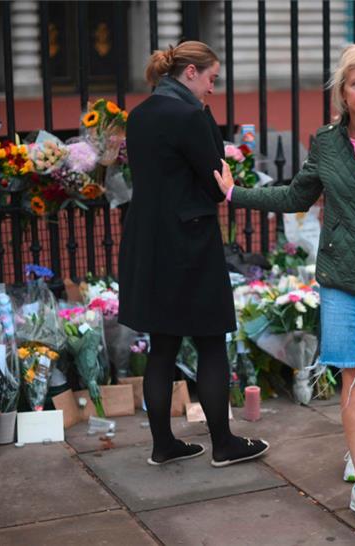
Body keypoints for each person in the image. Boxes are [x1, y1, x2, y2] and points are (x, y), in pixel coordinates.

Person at [214, 44, 355, 522]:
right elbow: (295, 196)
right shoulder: (326, 143)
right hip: (340, 276)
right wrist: (235, 193)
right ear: (342, 92)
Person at [118, 41, 269, 467]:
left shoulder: (140, 114)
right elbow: (217, 183)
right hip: (189, 241)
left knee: (162, 345)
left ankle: (163, 445)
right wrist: (208, 125)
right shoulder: (190, 116)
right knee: (211, 341)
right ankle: (224, 444)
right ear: (190, 72)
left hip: (147, 240)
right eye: (210, 78)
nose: (212, 88)